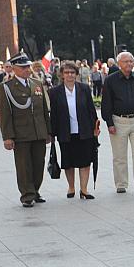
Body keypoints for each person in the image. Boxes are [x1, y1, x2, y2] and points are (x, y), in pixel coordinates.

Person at [0, 53, 51, 207]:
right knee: (24, 166)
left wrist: (48, 131)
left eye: (28, 66)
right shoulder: (6, 87)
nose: (27, 69)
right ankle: (27, 195)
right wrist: (7, 137)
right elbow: (4, 114)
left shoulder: (36, 83)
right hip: (21, 134)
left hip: (39, 132)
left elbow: (44, 110)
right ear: (14, 69)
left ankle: (35, 190)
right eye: (23, 67)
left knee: (38, 164)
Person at [101, 51, 134, 195]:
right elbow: (106, 103)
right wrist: (109, 123)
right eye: (126, 61)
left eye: (131, 61)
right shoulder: (110, 80)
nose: (129, 64)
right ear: (119, 64)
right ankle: (121, 184)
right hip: (118, 121)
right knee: (119, 155)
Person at [49, 60, 100, 199]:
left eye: (72, 72)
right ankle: (71, 187)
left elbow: (91, 110)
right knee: (68, 162)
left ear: (76, 74)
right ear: (62, 75)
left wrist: (95, 127)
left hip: (84, 131)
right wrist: (51, 133)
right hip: (65, 132)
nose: (70, 75)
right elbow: (53, 114)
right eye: (66, 72)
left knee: (85, 161)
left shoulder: (84, 89)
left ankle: (84, 189)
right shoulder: (54, 92)